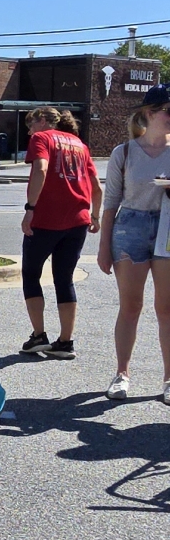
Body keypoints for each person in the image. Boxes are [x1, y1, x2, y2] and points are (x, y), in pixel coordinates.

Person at [97, 84, 170, 403]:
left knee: (167, 308)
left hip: (167, 227)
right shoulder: (124, 152)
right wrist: (103, 247)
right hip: (130, 229)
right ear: (150, 113)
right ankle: (122, 374)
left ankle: (169, 379)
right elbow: (111, 202)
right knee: (130, 306)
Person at [20, 107, 103, 359]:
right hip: (78, 220)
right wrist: (95, 215)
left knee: (31, 274)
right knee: (64, 278)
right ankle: (65, 342)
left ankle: (38, 336)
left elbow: (41, 169)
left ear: (43, 120)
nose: (30, 131)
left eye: (31, 125)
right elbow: (96, 186)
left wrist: (30, 208)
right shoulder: (79, 144)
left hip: (46, 219)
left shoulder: (41, 138)